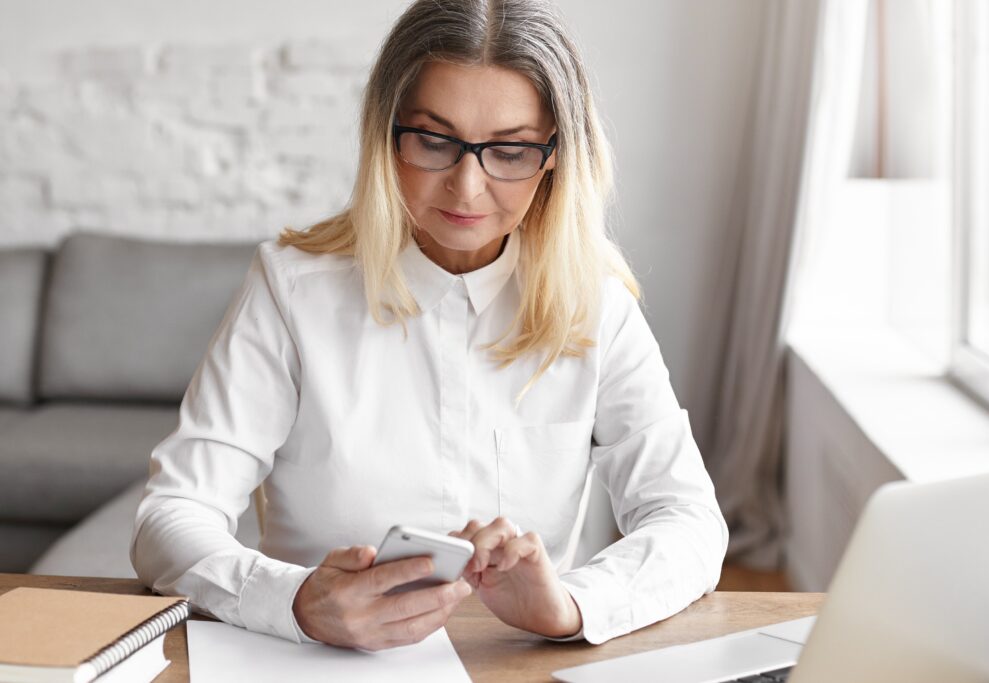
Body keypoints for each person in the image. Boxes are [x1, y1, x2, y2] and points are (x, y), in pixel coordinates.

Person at [130, 0, 728, 651]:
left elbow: (690, 520)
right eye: (436, 141)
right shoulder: (290, 289)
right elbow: (169, 517)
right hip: (315, 664)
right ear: (387, 134)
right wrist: (298, 601)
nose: (467, 188)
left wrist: (573, 603)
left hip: (509, 665)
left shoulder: (596, 306)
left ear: (555, 154)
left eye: (510, 149)